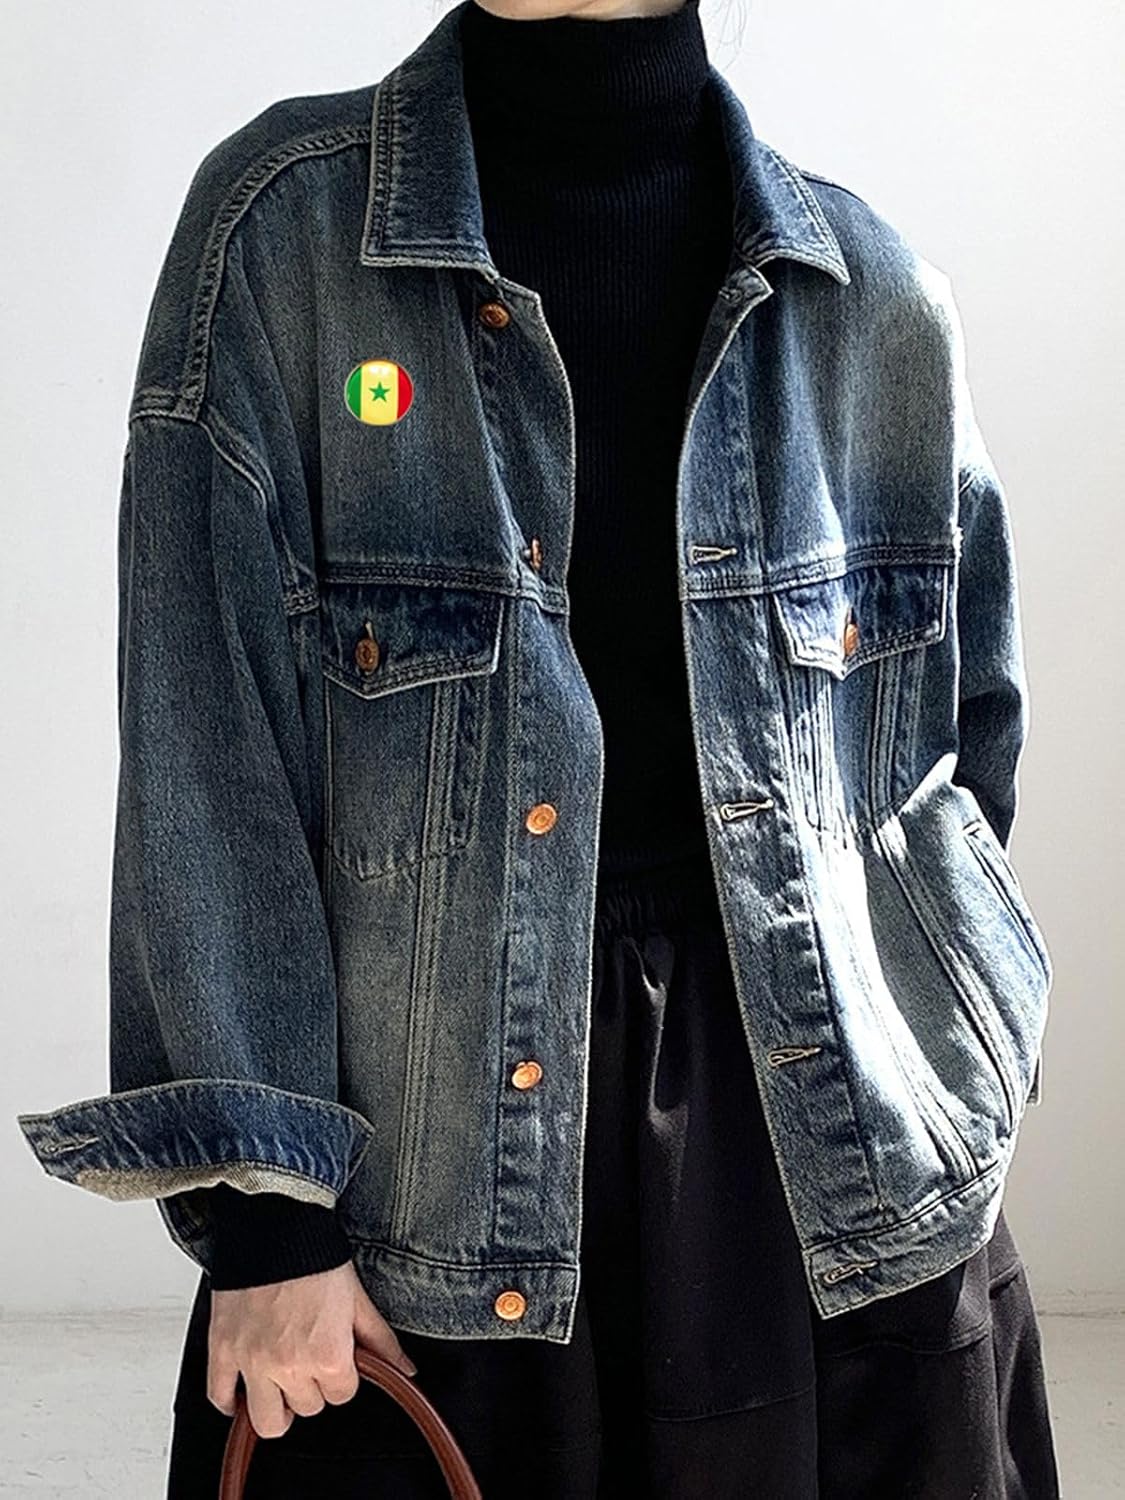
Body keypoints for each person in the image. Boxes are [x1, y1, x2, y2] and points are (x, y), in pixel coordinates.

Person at [16, 1, 1061, 1495]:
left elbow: (957, 765)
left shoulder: (873, 295)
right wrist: (270, 1223)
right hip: (430, 1174)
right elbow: (206, 739)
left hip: (835, 1172)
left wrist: (953, 1069)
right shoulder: (282, 239)